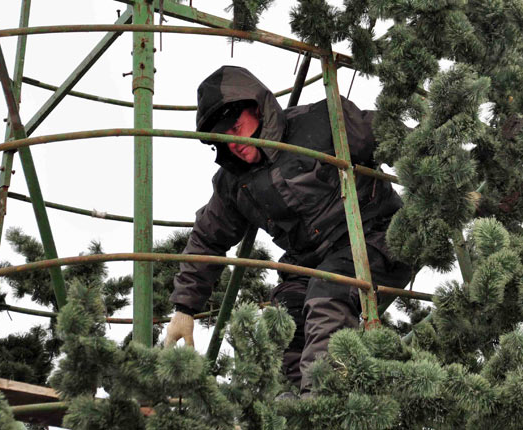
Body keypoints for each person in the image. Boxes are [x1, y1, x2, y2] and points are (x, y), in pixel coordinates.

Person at [164, 65, 412, 393]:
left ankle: (323, 405)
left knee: (327, 298)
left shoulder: (323, 123)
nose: (235, 143)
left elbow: (396, 137)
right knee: (281, 328)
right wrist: (184, 309)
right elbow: (208, 237)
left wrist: (446, 181)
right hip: (312, 266)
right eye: (224, 138)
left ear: (258, 109)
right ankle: (298, 409)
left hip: (379, 238)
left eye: (237, 128)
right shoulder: (234, 183)